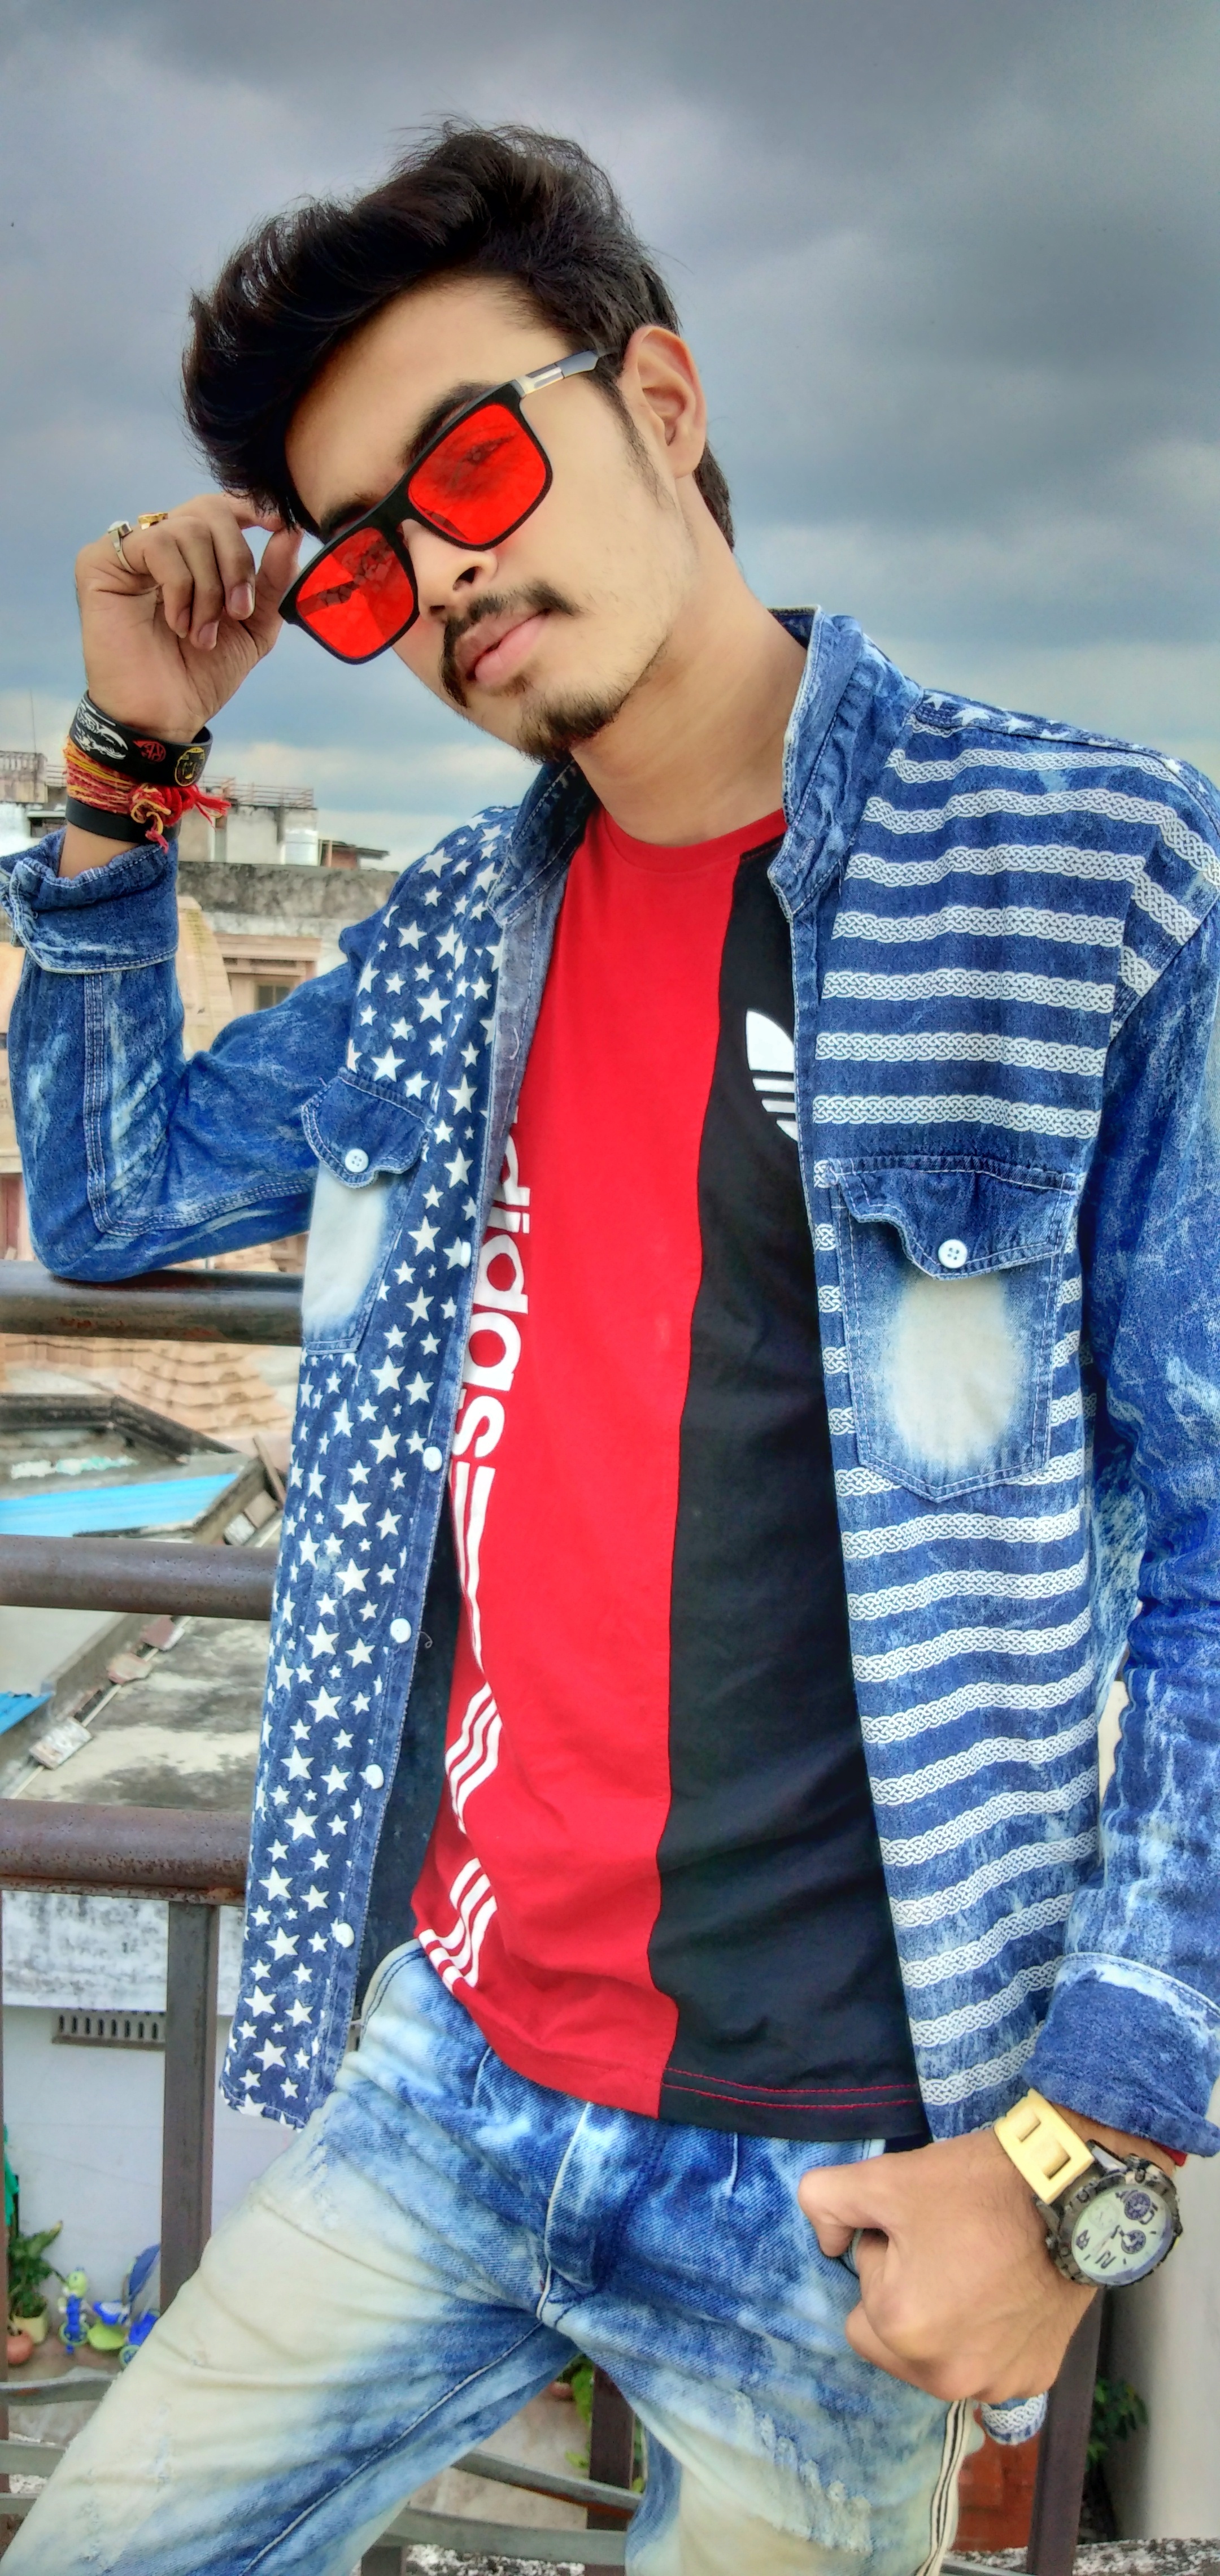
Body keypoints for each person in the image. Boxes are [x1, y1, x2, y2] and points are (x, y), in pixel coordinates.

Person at [4, 121, 1215, 2576]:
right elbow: (113, 1203)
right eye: (367, 555)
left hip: (846, 2163)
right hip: (450, 2073)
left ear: (660, 399)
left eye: (471, 463)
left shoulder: (1087, 875)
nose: (442, 573)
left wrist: (1087, 2155)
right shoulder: (449, 938)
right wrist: (132, 763)